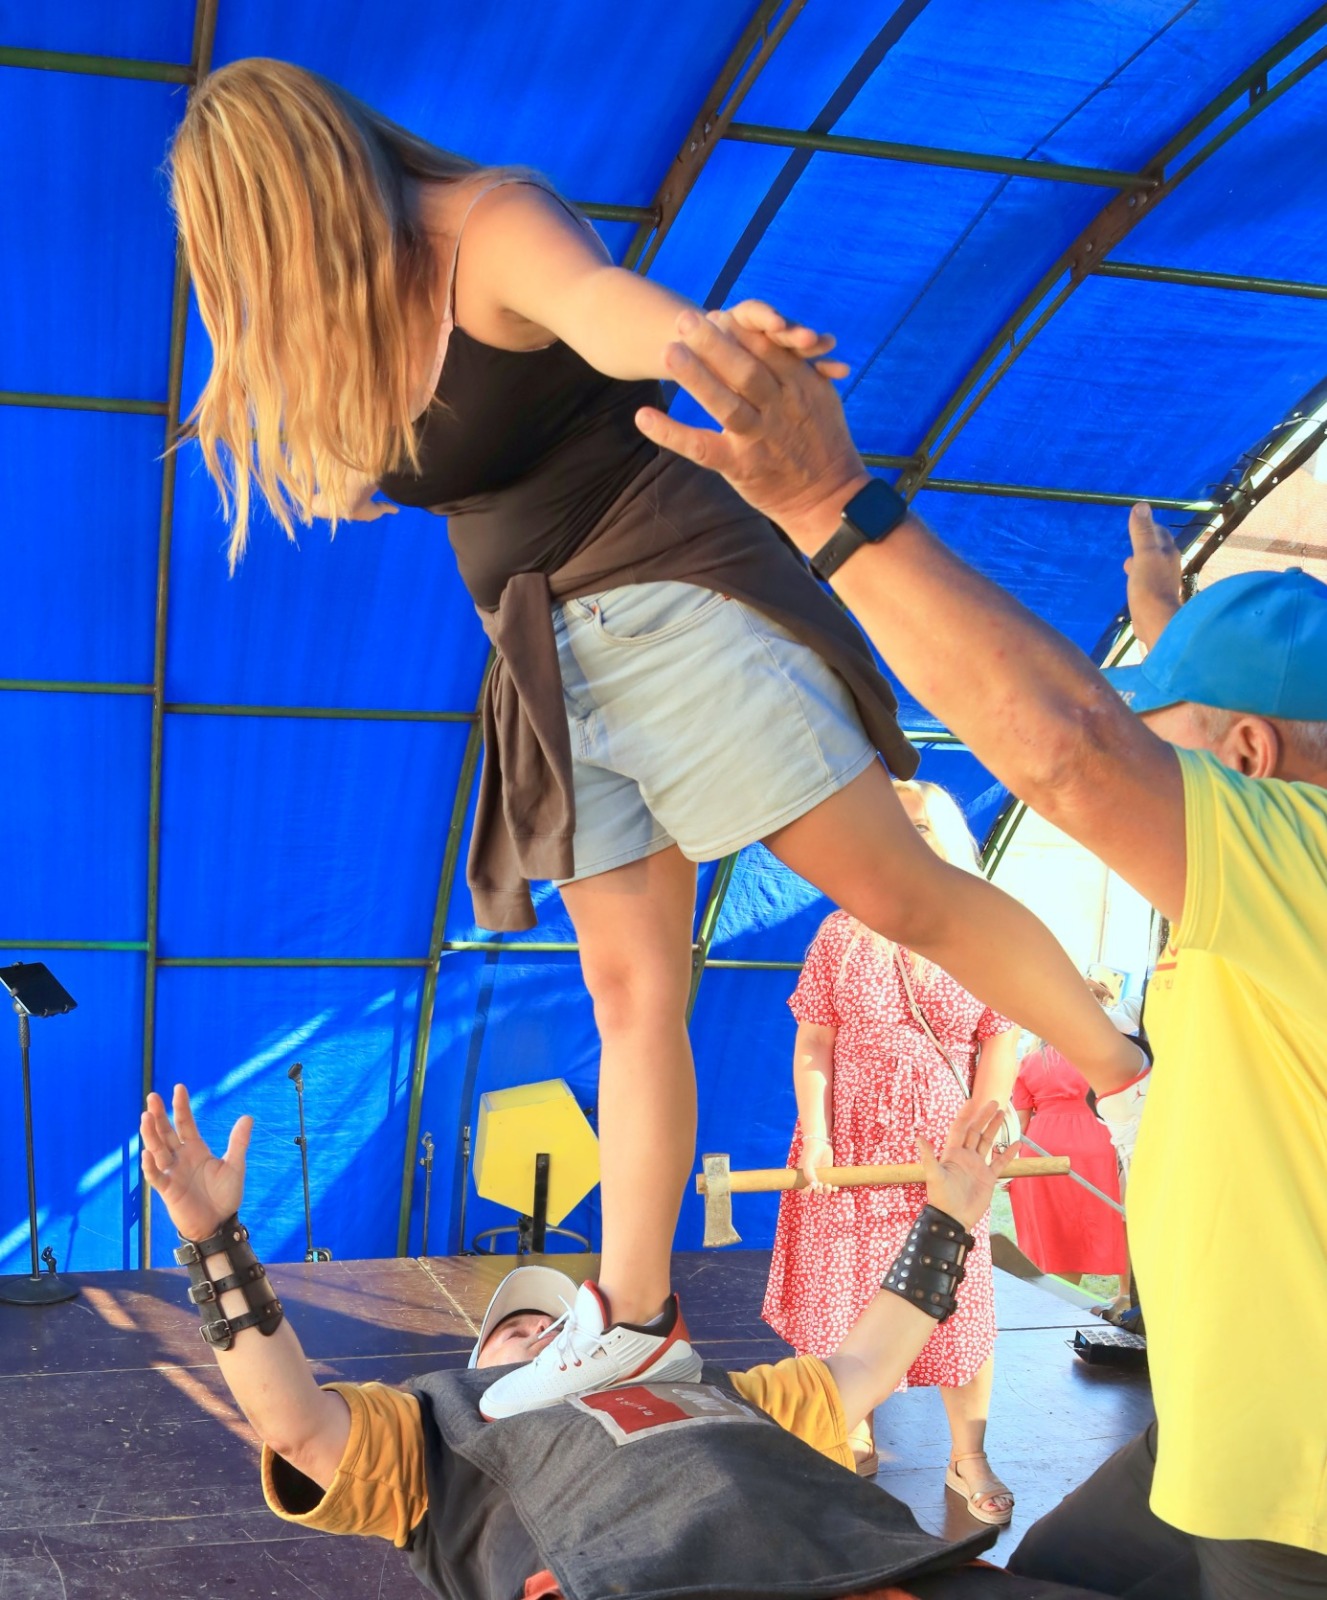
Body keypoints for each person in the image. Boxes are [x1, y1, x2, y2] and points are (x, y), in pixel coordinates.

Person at [167, 58, 1142, 1420]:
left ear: (316, 181)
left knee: (891, 889)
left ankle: (1124, 1079)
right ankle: (631, 1316)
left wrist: (701, 337)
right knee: (628, 993)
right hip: (547, 658)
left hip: (667, 595)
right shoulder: (354, 318)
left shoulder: (484, 227)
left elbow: (601, 307)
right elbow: (355, 445)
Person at [635, 308, 1327, 1597]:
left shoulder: (1309, 861)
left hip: (1300, 1477)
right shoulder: (1274, 887)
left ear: (1245, 757)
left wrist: (828, 501)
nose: (1150, 785)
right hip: (1220, 1419)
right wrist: (1172, 627)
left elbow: (1072, 752)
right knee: (1045, 1570)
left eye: (1173, 750)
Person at [139, 1082, 1112, 1600]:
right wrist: (213, 1240)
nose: (538, 1329)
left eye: (556, 1321)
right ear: (478, 1365)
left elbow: (866, 1363)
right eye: (513, 1327)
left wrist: (949, 1218)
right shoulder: (433, 1430)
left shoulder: (711, 1388)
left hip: (865, 1569)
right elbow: (295, 1424)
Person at [764, 779, 1019, 1522]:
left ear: (949, 837)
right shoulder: (839, 933)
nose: (905, 836)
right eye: (892, 824)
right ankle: (850, 1428)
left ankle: (967, 1456)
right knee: (841, 1293)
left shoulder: (983, 927)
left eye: (921, 825)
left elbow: (1001, 1035)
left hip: (945, 1148)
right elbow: (813, 1042)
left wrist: (984, 1123)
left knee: (957, 1297)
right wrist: (817, 1137)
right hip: (849, 1146)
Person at [1008, 1008, 1128, 1284]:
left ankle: (1057, 1294)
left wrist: (1011, 1167)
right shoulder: (1097, 1057)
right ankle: (1079, 1292)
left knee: (1049, 1225)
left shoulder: (1029, 1062)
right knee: (1087, 1221)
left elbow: (1019, 1122)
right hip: (1095, 1143)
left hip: (1041, 1147)